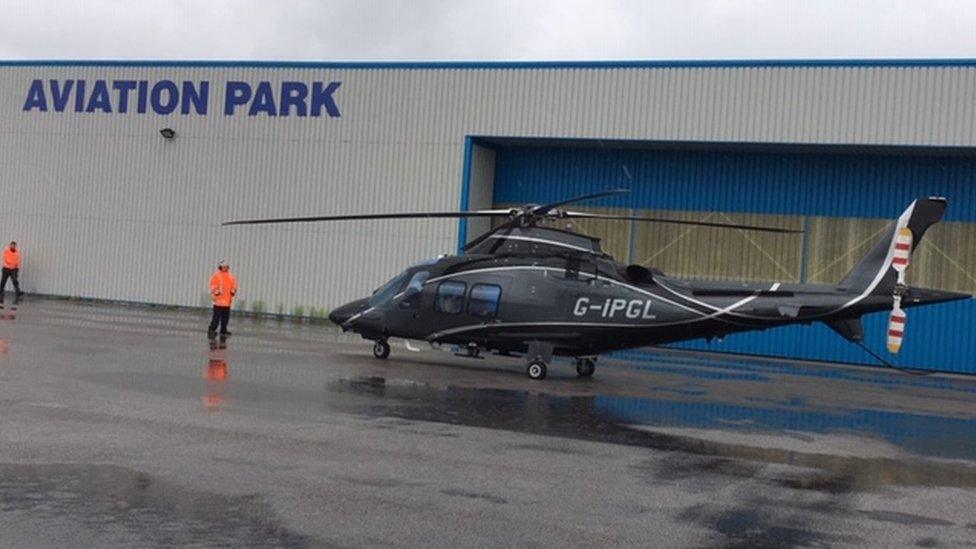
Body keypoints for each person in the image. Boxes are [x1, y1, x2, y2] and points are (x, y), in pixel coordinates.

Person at [207, 260, 238, 337]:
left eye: (226, 266)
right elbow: (213, 285)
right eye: (224, 266)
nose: (225, 268)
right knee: (216, 318)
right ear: (220, 267)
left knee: (225, 318)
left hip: (227, 301)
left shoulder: (231, 276)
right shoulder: (216, 276)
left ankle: (223, 330)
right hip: (218, 301)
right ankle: (212, 329)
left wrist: (233, 291)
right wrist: (216, 292)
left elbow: (234, 285)